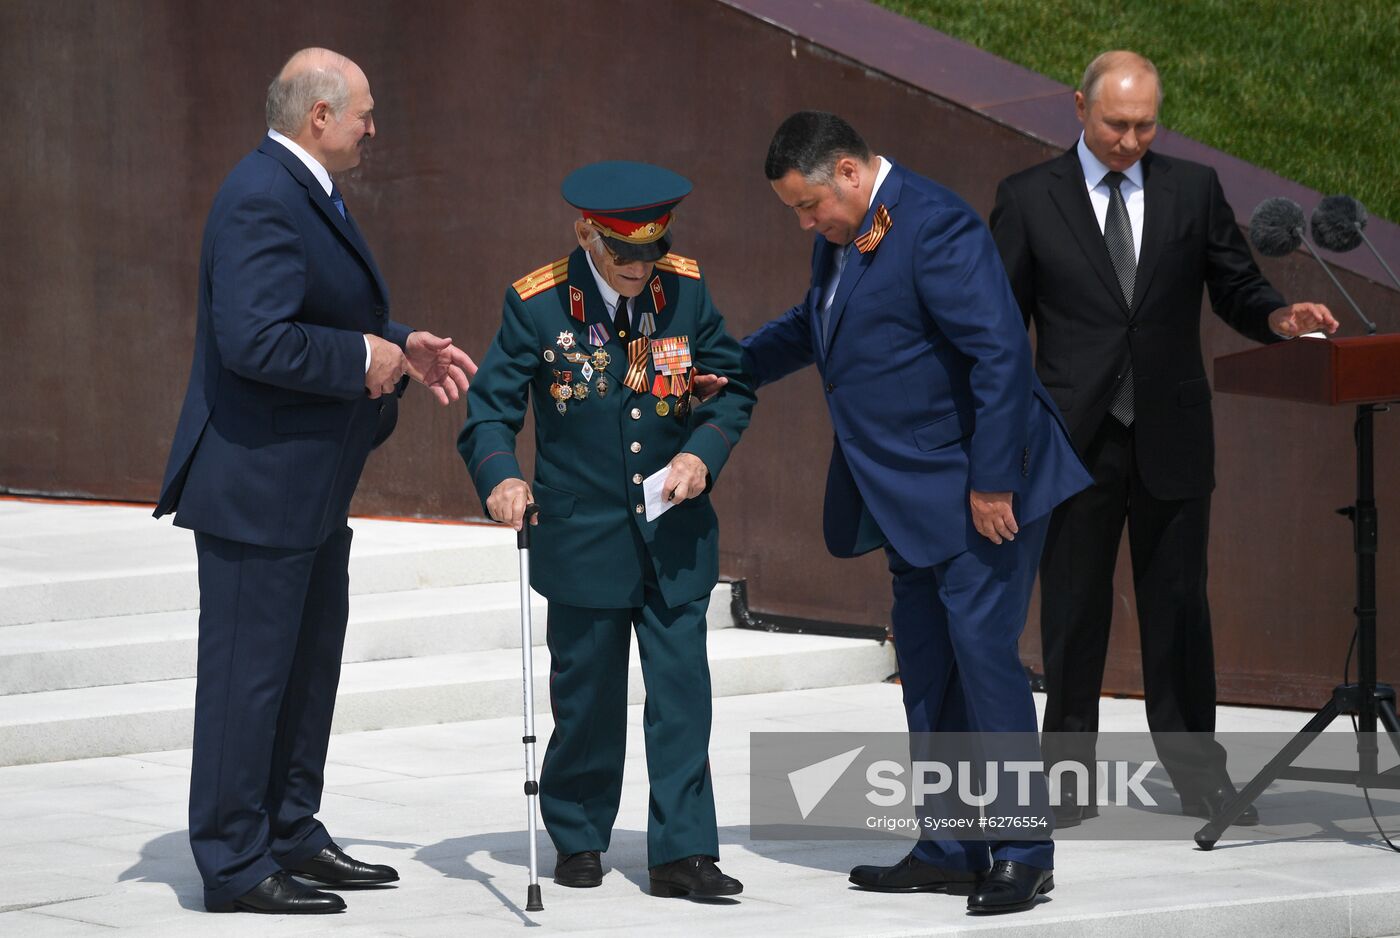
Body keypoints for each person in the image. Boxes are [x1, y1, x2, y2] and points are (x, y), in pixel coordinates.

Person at [733, 111, 1091, 915]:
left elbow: (999, 351)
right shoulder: (843, 233)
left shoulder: (936, 228)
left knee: (985, 662)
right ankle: (951, 845)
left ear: (851, 175)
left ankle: (1024, 850)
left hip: (977, 491)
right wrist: (735, 368)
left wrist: (993, 481)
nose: (804, 222)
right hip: (906, 495)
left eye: (806, 205)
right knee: (928, 669)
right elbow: (813, 325)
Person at [154, 47, 475, 914]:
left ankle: (289, 829)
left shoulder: (301, 188)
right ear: (318, 118)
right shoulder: (261, 195)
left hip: (306, 488)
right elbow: (252, 340)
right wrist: (357, 357)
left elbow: (325, 310)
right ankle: (232, 861)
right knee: (247, 682)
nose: (376, 127)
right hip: (257, 489)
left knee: (304, 673)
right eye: (365, 112)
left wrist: (396, 344)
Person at [990, 50, 1338, 827]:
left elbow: (1237, 286)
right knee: (1073, 612)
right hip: (1072, 440)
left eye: (1146, 124)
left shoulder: (1192, 190)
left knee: (1180, 610)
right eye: (1116, 123)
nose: (1131, 140)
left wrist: (1282, 318)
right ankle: (1067, 781)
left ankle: (1197, 776)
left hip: (1171, 433)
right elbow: (1000, 328)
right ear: (1078, 108)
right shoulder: (1027, 198)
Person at [457, 161, 754, 900]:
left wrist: (701, 452)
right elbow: (489, 411)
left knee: (682, 695)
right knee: (586, 698)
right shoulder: (538, 303)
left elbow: (732, 387)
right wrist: (502, 477)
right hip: (582, 535)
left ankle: (684, 851)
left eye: (651, 252)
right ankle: (579, 833)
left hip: (675, 537)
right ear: (586, 233)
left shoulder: (684, 288)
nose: (639, 269)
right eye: (624, 255)